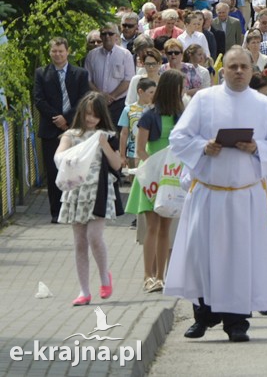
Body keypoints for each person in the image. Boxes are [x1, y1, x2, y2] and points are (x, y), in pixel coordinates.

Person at [164, 47, 267, 343]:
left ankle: (237, 323)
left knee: (240, 259)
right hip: (209, 193)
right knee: (203, 256)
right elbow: (179, 137)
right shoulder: (204, 100)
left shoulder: (262, 104)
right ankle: (203, 316)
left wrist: (256, 147)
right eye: (232, 66)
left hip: (245, 196)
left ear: (252, 70)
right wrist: (203, 146)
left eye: (243, 67)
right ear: (223, 71)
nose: (237, 71)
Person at [55, 92, 123, 306]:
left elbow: (117, 164)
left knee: (94, 236)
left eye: (95, 115)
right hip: (76, 190)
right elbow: (59, 155)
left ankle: (104, 277)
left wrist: (103, 143)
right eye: (87, 114)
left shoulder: (108, 135)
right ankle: (84, 290)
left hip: (99, 189)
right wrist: (69, 158)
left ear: (102, 115)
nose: (90, 119)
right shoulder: (71, 135)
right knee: (79, 241)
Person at [126, 70, 186, 293]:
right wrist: (155, 168)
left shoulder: (181, 115)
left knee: (165, 228)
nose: (183, 92)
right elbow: (140, 149)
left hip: (171, 177)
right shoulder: (149, 116)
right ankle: (147, 276)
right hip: (152, 177)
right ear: (173, 89)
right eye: (180, 88)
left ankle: (162, 276)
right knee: (152, 227)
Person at [34, 37, 91, 222]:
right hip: (50, 129)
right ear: (50, 52)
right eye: (54, 51)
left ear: (67, 52)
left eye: (61, 51)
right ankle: (56, 212)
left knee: (75, 169)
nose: (57, 54)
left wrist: (66, 118)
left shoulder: (80, 73)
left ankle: (74, 209)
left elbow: (84, 98)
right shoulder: (42, 73)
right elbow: (39, 99)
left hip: (75, 127)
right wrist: (57, 119)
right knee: (53, 171)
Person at [84, 22, 135, 123]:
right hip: (96, 102)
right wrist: (101, 96)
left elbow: (128, 79)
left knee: (116, 135)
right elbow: (87, 79)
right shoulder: (91, 55)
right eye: (103, 34)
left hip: (118, 103)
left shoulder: (125, 54)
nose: (107, 36)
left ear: (116, 36)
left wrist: (112, 97)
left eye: (110, 33)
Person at [118, 78, 155, 171]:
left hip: (152, 152)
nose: (154, 95)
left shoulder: (156, 110)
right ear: (140, 92)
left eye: (155, 92)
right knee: (134, 182)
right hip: (132, 154)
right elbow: (124, 133)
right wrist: (122, 155)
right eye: (151, 92)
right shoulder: (128, 109)